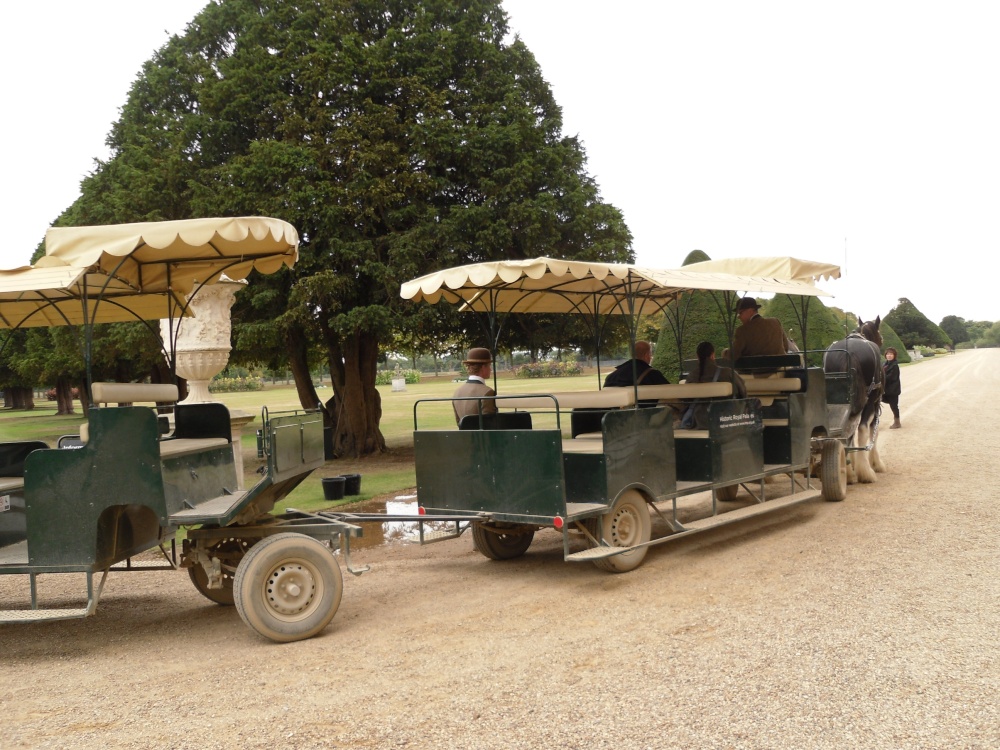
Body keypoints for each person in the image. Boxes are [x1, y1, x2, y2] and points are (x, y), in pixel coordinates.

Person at [682, 341, 747, 429]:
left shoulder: (691, 376)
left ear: (698, 357)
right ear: (713, 355)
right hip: (725, 421)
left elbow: (686, 400)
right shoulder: (727, 373)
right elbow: (743, 393)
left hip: (698, 423)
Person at [730, 296, 793, 372]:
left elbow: (733, 355)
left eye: (740, 313)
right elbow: (785, 347)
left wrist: (724, 352)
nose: (738, 317)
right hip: (780, 371)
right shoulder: (775, 322)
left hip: (756, 374)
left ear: (750, 311)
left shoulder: (742, 330)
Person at [603, 340, 670, 408]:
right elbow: (671, 393)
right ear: (647, 355)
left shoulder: (611, 377)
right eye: (650, 354)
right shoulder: (653, 374)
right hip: (643, 416)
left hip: (611, 417)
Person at [453, 347, 497, 425]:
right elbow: (489, 425)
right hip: (481, 436)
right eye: (489, 366)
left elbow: (459, 423)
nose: (490, 369)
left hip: (465, 436)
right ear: (483, 367)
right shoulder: (487, 392)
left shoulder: (457, 392)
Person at [882, 347, 902, 429]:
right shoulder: (885, 364)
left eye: (891, 354)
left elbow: (891, 377)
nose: (889, 356)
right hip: (884, 389)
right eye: (888, 354)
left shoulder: (895, 366)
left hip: (892, 390)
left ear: (894, 355)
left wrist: (880, 378)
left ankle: (897, 422)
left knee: (894, 406)